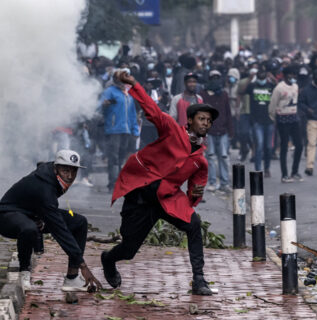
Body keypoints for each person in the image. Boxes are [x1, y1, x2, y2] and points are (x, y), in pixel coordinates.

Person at [101, 70, 217, 296]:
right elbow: (152, 110)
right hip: (141, 197)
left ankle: (199, 279)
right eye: (201, 119)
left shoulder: (200, 161)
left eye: (209, 121)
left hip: (167, 201)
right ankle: (108, 259)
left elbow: (194, 193)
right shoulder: (173, 130)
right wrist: (134, 84)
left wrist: (196, 194)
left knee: (194, 224)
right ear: (190, 120)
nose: (205, 124)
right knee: (128, 249)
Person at [0, 150, 101, 292]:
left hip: (31, 213)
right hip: (5, 217)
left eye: (73, 172)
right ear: (56, 168)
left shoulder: (50, 173)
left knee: (79, 222)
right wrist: (83, 265)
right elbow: (59, 229)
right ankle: (24, 272)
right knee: (29, 228)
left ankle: (72, 278)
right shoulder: (45, 189)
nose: (69, 176)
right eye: (65, 171)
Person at [100, 70, 140, 192]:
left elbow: (132, 113)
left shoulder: (128, 93)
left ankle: (119, 182)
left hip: (126, 130)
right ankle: (112, 183)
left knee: (122, 157)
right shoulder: (109, 92)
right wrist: (105, 104)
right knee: (113, 157)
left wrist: (135, 130)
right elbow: (99, 106)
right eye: (120, 78)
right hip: (113, 129)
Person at [239, 64, 276, 175]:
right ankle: (258, 169)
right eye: (259, 76)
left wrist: (273, 78)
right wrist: (249, 79)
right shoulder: (252, 86)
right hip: (257, 121)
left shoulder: (270, 85)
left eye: (263, 77)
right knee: (259, 145)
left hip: (269, 120)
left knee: (268, 147)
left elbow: (280, 89)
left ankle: (267, 168)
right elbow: (242, 91)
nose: (261, 79)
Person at [269, 66, 303, 182]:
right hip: (282, 119)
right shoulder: (279, 88)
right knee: (284, 146)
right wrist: (273, 118)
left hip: (294, 118)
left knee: (299, 145)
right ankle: (284, 174)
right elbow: (273, 104)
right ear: (285, 75)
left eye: (294, 74)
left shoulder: (295, 86)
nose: (292, 77)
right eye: (290, 74)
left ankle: (295, 171)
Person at [202, 70, 233, 192]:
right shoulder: (203, 94)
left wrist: (231, 130)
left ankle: (225, 183)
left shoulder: (224, 94)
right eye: (213, 77)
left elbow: (228, 113)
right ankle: (212, 182)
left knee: (224, 157)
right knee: (210, 157)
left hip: (223, 130)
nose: (215, 79)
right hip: (209, 131)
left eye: (217, 77)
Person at [298, 69, 317, 176]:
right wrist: (307, 109)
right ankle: (309, 166)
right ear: (313, 79)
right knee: (311, 144)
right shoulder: (307, 90)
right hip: (312, 120)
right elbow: (300, 102)